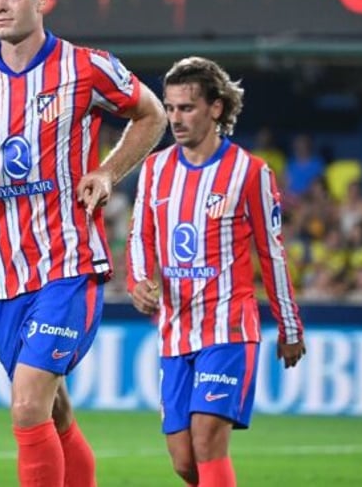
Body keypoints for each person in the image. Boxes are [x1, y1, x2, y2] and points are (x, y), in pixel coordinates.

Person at [0, 0, 166, 487]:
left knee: (26, 406)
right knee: (54, 412)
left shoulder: (85, 66)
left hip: (68, 264)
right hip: (3, 275)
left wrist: (108, 173)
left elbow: (149, 113)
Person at [126, 56, 305, 487]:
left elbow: (272, 254)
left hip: (228, 327)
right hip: (175, 330)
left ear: (216, 108)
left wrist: (290, 327)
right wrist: (137, 281)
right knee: (184, 461)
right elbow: (140, 236)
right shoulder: (154, 169)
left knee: (208, 442)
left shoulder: (251, 172)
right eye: (169, 108)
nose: (175, 118)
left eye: (186, 108)